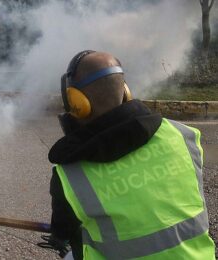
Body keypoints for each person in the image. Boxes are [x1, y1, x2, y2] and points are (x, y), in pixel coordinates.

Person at [47, 50, 216, 259]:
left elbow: (62, 232)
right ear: (125, 91)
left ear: (77, 103)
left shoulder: (70, 175)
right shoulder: (183, 135)